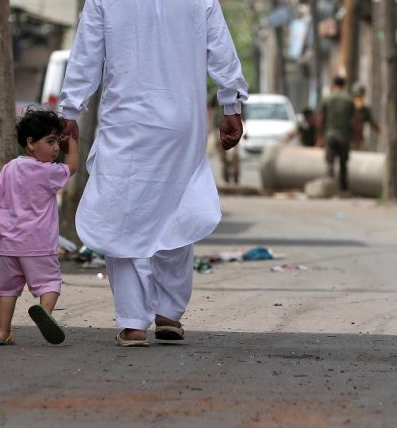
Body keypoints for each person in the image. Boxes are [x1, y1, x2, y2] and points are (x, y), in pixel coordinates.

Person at [58, 0, 247, 347]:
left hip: (126, 122)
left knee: (122, 213)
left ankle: (133, 323)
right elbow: (220, 46)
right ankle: (169, 313)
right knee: (177, 208)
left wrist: (71, 109)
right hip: (181, 122)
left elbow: (86, 52)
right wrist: (231, 104)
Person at [0, 109, 78, 346]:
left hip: (8, 245)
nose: (56, 148)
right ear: (30, 143)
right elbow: (72, 168)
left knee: (7, 290)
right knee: (50, 283)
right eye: (51, 141)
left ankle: (2, 332)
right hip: (38, 244)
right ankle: (45, 312)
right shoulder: (47, 172)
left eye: (58, 142)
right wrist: (73, 144)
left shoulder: (10, 168)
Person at [318, 76, 357, 192]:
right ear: (344, 85)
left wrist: (319, 135)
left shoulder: (327, 98)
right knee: (343, 164)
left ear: (333, 84)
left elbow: (321, 118)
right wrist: (357, 136)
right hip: (344, 135)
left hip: (330, 134)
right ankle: (343, 189)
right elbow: (355, 120)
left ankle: (329, 187)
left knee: (330, 163)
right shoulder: (349, 99)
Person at [209, 94, 240, 185]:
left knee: (234, 154)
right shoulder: (216, 94)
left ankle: (235, 175)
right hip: (218, 128)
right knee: (222, 155)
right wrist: (209, 127)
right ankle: (225, 176)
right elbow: (210, 110)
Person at [351, 83, 380, 151]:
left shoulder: (363, 107)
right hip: (352, 136)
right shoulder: (352, 105)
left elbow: (370, 120)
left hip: (355, 136)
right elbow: (371, 121)